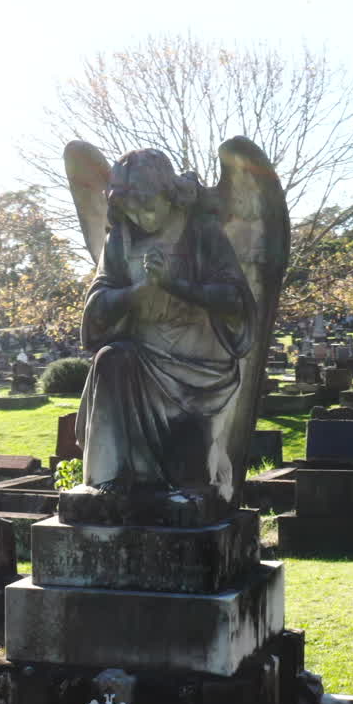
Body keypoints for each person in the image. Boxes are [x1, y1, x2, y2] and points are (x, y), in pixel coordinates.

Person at [76, 149, 255, 495]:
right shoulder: (120, 240)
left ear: (169, 195)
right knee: (110, 359)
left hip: (201, 367)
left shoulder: (202, 231)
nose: (141, 217)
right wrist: (138, 291)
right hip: (141, 356)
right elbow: (96, 308)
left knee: (191, 478)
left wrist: (174, 285)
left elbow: (234, 299)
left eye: (149, 206)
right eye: (131, 210)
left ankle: (186, 482)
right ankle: (111, 479)